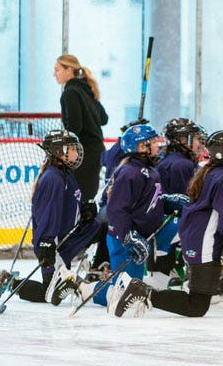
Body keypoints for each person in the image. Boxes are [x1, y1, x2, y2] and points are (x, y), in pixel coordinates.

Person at [110, 131, 223, 318]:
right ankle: (142, 292)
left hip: (198, 238)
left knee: (198, 304)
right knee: (196, 306)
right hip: (204, 242)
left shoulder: (214, 172)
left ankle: (143, 291)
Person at [1, 130, 102, 305]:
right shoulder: (53, 179)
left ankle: (100, 268)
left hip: (66, 238)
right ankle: (8, 281)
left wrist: (85, 210)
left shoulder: (64, 173)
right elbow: (48, 213)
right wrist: (47, 242)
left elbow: (68, 204)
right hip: (53, 244)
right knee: (48, 293)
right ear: (58, 151)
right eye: (72, 148)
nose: (76, 153)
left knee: (100, 227)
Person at [93, 124, 182, 310]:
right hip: (123, 240)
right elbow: (116, 210)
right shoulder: (129, 172)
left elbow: (147, 202)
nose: (158, 145)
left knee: (134, 291)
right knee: (122, 291)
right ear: (141, 147)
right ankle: (87, 290)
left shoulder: (150, 171)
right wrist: (128, 236)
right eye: (152, 142)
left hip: (139, 237)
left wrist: (167, 201)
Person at [54, 54, 109, 213]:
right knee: (86, 198)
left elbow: (74, 129)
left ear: (68, 70)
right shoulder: (87, 89)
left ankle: (81, 235)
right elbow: (104, 119)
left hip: (82, 155)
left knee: (78, 199)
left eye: (57, 70)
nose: (54, 74)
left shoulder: (70, 92)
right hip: (96, 151)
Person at [157, 118, 206, 195]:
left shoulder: (168, 158)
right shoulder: (182, 164)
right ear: (183, 140)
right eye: (198, 139)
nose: (200, 144)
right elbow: (185, 201)